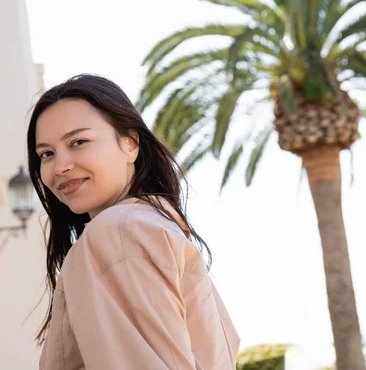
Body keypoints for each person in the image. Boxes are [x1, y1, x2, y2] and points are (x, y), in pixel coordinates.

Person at [28, 74, 240, 370]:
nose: (60, 166)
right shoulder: (152, 228)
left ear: (130, 144)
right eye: (46, 154)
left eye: (78, 142)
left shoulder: (118, 232)